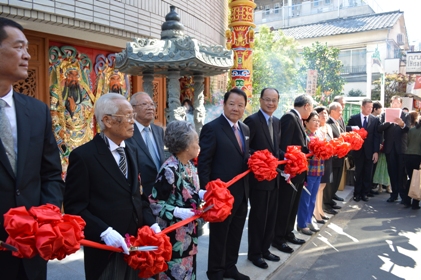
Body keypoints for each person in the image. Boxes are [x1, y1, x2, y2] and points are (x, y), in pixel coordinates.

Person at [64, 93, 160, 280]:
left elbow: (137, 196)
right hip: (106, 250)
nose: (133, 121)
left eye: (133, 115)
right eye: (128, 116)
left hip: (136, 247)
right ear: (107, 121)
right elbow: (75, 207)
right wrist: (104, 231)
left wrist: (151, 223)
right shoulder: (84, 157)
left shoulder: (130, 150)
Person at [0, 17, 65, 280]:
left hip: (30, 252)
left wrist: (44, 220)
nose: (27, 55)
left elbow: (50, 174)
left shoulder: (37, 111)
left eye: (27, 48)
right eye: (19, 47)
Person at [198, 87, 250, 280]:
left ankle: (230, 267)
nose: (236, 108)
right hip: (221, 196)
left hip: (242, 193)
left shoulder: (245, 129)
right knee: (219, 236)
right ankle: (216, 272)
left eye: (240, 105)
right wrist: (207, 193)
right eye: (232, 104)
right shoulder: (212, 128)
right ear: (224, 104)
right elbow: (204, 163)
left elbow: (244, 157)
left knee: (236, 233)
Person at [150, 120, 203, 279]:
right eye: (196, 142)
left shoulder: (190, 166)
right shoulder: (169, 170)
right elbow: (154, 204)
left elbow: (190, 191)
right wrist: (178, 212)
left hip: (189, 235)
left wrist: (201, 194)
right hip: (174, 237)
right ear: (186, 146)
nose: (198, 145)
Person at [244, 88, 282, 269]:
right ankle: (255, 253)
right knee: (258, 217)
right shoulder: (251, 121)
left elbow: (276, 149)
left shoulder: (277, 122)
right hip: (258, 179)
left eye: (274, 100)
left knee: (271, 216)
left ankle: (266, 249)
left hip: (274, 178)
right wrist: (261, 158)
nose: (270, 103)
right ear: (260, 100)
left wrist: (289, 157)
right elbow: (244, 150)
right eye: (267, 99)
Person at [272, 94, 314, 254]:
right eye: (311, 108)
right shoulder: (289, 118)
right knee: (285, 206)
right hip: (290, 171)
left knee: (292, 205)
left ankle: (288, 233)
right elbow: (285, 146)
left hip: (297, 171)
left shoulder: (298, 119)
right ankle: (278, 238)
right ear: (306, 106)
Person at [126, 92, 165, 196]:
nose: (150, 108)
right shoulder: (128, 132)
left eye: (152, 104)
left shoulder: (159, 131)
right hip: (140, 193)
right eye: (144, 104)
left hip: (161, 191)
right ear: (133, 108)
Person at [347, 99, 381, 202]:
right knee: (358, 172)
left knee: (368, 173)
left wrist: (376, 152)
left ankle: (365, 193)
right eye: (368, 107)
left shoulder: (375, 120)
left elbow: (376, 137)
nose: (370, 109)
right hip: (358, 150)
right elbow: (347, 132)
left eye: (371, 107)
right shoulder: (354, 118)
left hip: (370, 151)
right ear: (362, 107)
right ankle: (357, 193)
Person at [378, 96, 410, 203]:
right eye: (393, 102)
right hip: (389, 148)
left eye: (397, 103)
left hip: (401, 148)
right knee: (392, 171)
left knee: (402, 172)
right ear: (391, 103)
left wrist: (402, 124)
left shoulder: (406, 115)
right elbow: (379, 128)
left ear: (400, 104)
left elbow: (407, 129)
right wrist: (388, 122)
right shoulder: (384, 114)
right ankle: (394, 194)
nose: (395, 104)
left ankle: (403, 195)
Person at [297, 111, 324, 235]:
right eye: (314, 120)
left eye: (318, 121)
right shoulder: (305, 136)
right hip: (309, 172)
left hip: (318, 170)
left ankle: (308, 220)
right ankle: (302, 224)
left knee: (313, 199)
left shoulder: (318, 134)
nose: (317, 123)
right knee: (305, 199)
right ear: (306, 122)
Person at [313, 106, 333, 224]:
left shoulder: (328, 127)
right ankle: (316, 212)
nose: (324, 115)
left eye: (326, 113)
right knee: (318, 187)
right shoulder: (317, 129)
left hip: (328, 158)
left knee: (323, 186)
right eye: (321, 114)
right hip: (320, 160)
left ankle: (320, 210)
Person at [324, 102, 344, 215]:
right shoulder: (328, 123)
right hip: (333, 157)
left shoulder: (338, 121)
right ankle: (326, 204)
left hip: (340, 156)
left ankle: (330, 200)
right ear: (332, 111)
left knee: (336, 180)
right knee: (329, 183)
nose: (341, 113)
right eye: (339, 110)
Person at [403, 111, 421, 209]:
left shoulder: (412, 130)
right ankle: (415, 202)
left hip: (408, 156)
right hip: (418, 157)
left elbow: (407, 143)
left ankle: (406, 200)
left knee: (410, 178)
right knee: (417, 180)